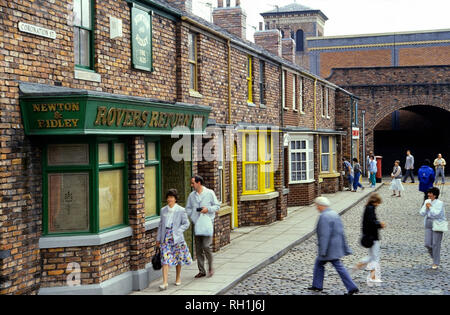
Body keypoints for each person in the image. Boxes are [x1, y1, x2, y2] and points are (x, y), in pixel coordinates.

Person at [307, 197, 359, 295]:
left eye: (317, 206)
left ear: (321, 206)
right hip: (335, 247)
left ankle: (352, 287)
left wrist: (322, 251)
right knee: (319, 264)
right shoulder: (334, 214)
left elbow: (324, 235)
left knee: (338, 267)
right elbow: (341, 232)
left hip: (328, 249)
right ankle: (317, 285)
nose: (316, 208)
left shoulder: (324, 216)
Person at [156, 189, 192, 291]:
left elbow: (186, 223)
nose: (169, 199)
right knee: (165, 259)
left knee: (178, 257)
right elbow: (160, 225)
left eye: (171, 197)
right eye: (168, 197)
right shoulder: (163, 210)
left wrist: (178, 231)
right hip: (165, 237)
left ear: (175, 199)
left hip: (176, 238)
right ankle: (165, 283)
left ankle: (178, 277)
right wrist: (158, 238)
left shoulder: (181, 210)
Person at [186, 175, 220, 279]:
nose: (192, 185)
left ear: (199, 183)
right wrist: (193, 216)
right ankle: (201, 271)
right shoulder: (192, 195)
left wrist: (207, 209)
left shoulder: (209, 193)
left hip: (207, 223)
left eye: (193, 183)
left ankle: (210, 267)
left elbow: (217, 206)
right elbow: (188, 208)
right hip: (197, 224)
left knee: (206, 246)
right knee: (198, 248)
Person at [353, 193, 386, 286]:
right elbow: (372, 222)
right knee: (375, 257)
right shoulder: (370, 209)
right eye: (378, 203)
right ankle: (372, 276)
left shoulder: (368, 208)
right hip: (373, 236)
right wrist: (380, 224)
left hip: (369, 235)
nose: (378, 204)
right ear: (375, 201)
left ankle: (361, 266)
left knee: (372, 256)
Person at [419, 187, 447, 270]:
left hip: (437, 224)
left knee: (436, 244)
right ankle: (434, 257)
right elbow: (421, 213)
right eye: (428, 193)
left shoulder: (440, 203)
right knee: (427, 244)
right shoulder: (427, 201)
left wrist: (430, 207)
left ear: (434, 195)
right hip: (428, 223)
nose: (428, 195)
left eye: (430, 193)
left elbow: (437, 214)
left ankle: (436, 262)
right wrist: (426, 208)